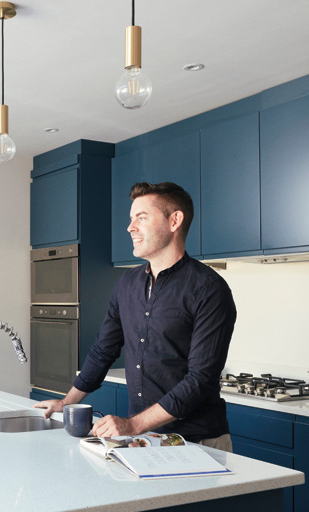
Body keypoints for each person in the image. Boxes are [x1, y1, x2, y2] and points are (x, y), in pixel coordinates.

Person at [35, 182, 237, 449]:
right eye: (131, 220)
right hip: (143, 441)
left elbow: (199, 381)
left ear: (175, 220)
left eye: (141, 218)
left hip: (197, 441)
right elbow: (103, 350)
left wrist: (132, 425)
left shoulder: (209, 289)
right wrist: (67, 401)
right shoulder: (127, 283)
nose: (130, 228)